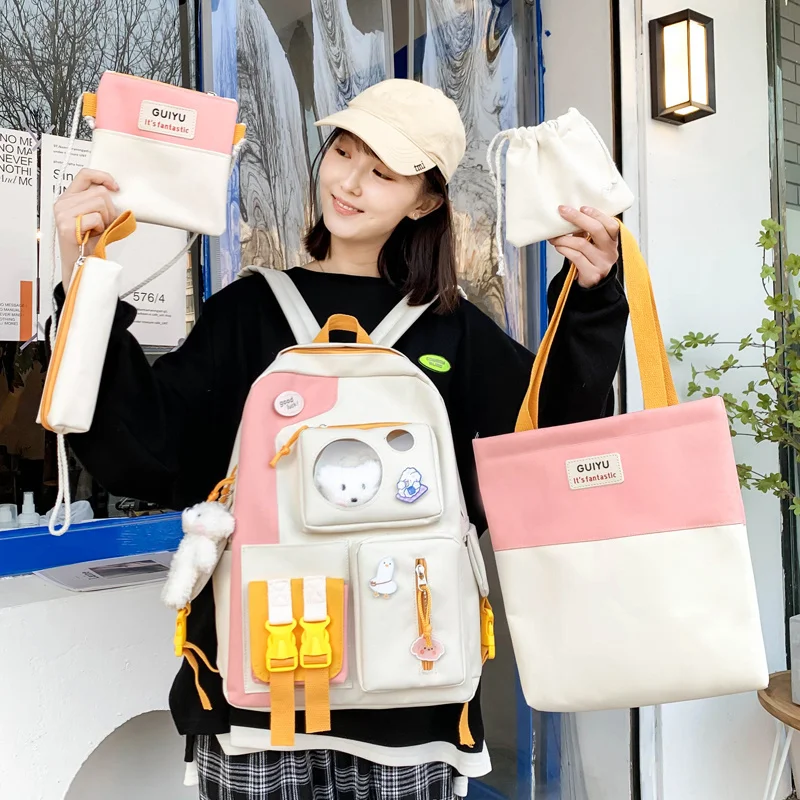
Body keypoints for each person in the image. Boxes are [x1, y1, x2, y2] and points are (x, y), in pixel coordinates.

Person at [51, 79, 629, 800]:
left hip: (408, 701)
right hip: (262, 703)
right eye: (343, 152)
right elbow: (144, 450)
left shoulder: (453, 331)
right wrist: (85, 277)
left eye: (382, 171)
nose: (349, 182)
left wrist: (592, 299)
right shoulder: (249, 312)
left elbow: (551, 450)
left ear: (425, 202)